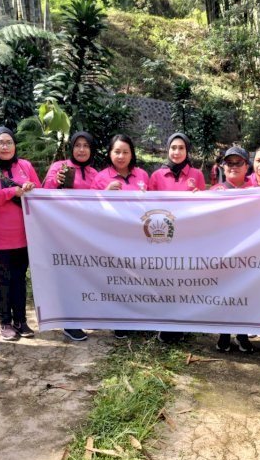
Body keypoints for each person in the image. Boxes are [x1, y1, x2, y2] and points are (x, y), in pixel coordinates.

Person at [0, 126, 40, 342]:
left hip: (24, 235)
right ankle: (5, 322)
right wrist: (10, 192)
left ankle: (21, 320)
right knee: (1, 281)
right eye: (0, 142)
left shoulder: (25, 166)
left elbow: (39, 195)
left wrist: (31, 190)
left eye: (9, 142)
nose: (5, 146)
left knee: (20, 279)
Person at [149, 132, 206, 343]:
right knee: (163, 280)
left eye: (181, 148)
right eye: (173, 147)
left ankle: (181, 323)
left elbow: (204, 207)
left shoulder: (197, 175)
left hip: (187, 237)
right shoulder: (156, 176)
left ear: (187, 150)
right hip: (164, 237)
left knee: (183, 280)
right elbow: (149, 207)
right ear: (167, 149)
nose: (177, 152)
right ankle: (163, 323)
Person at [92, 134, 149, 339]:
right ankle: (119, 320)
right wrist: (105, 193)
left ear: (132, 154)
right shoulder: (101, 178)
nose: (121, 156)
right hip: (113, 238)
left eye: (125, 152)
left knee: (138, 276)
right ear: (110, 153)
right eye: (117, 151)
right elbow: (90, 210)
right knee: (117, 278)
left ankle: (138, 317)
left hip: (138, 237)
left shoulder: (142, 175)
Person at [43, 131, 99, 342]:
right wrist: (55, 182)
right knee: (66, 275)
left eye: (86, 145)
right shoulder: (60, 167)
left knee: (84, 275)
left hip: (85, 234)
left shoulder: (95, 173)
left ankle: (82, 314)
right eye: (78, 145)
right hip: (62, 232)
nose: (82, 149)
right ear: (71, 148)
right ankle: (69, 322)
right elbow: (44, 194)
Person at [210, 146, 258, 353]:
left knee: (245, 293)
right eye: (230, 163)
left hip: (248, 253)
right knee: (224, 293)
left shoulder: (257, 191)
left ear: (247, 166)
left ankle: (243, 334)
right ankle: (224, 334)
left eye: (239, 163)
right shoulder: (215, 191)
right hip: (222, 253)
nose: (234, 167)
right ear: (223, 166)